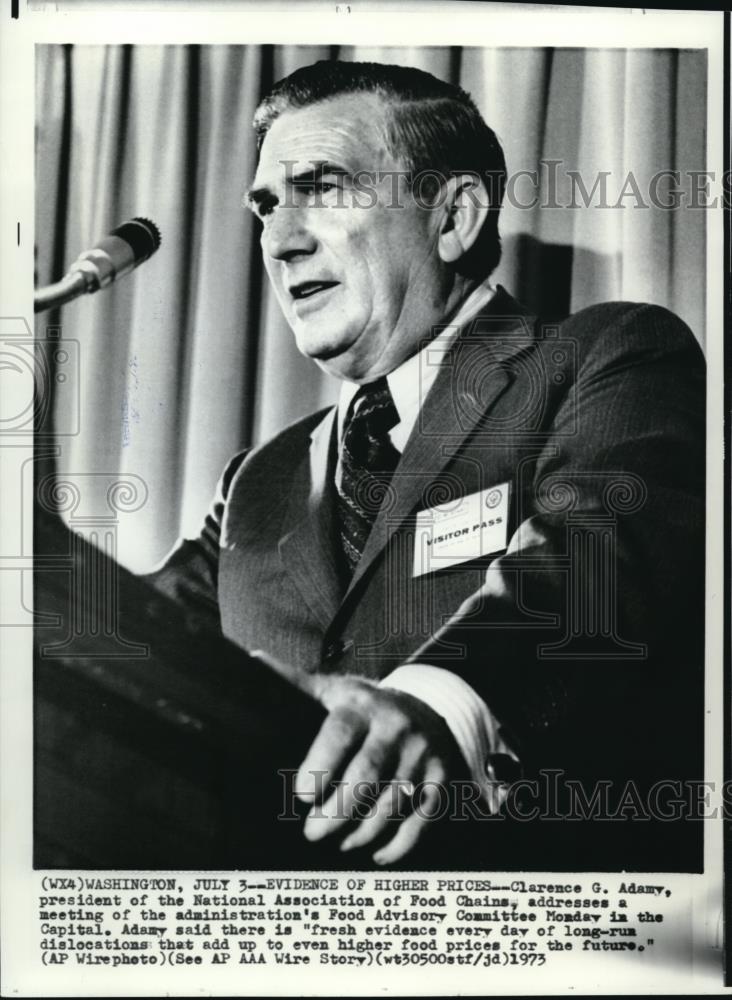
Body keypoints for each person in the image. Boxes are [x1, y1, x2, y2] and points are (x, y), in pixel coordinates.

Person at [148, 60, 705, 870]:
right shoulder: (256, 480)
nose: (279, 240)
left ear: (454, 217)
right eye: (266, 205)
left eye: (324, 186)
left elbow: (591, 566)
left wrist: (441, 707)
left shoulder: (605, 357)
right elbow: (141, 641)